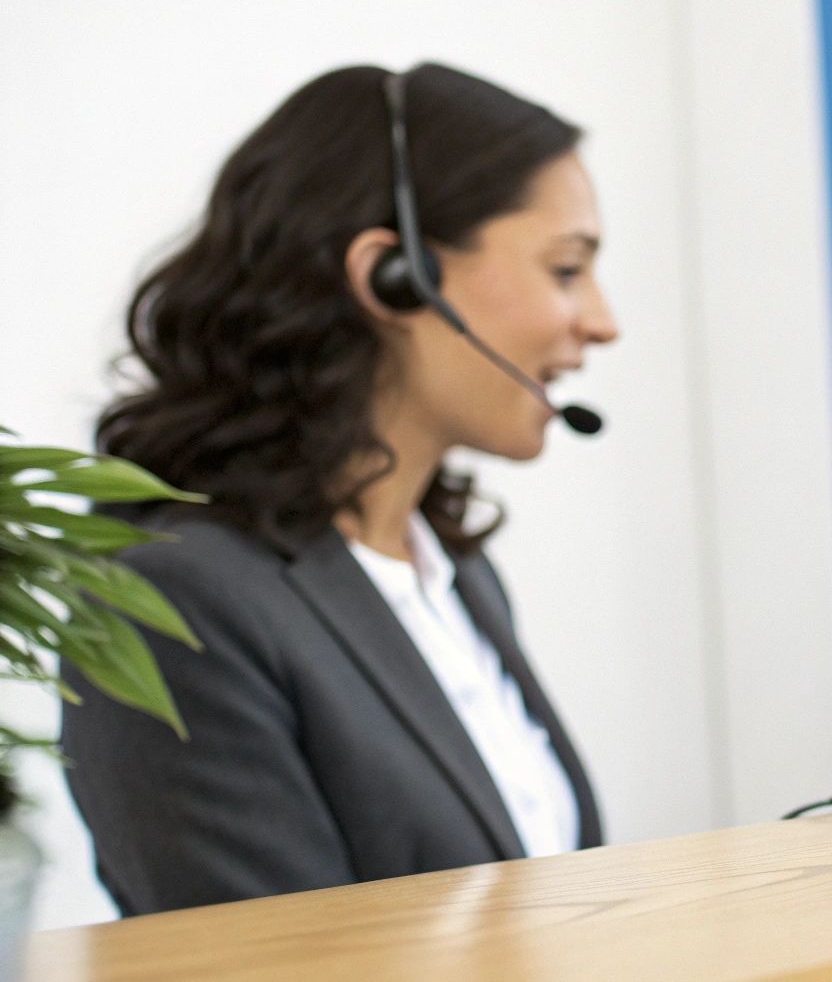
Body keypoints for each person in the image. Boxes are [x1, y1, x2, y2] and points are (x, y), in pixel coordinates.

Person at [59, 62, 616, 916]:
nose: (602, 322)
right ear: (395, 276)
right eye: (567, 270)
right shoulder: (174, 597)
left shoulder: (451, 574)